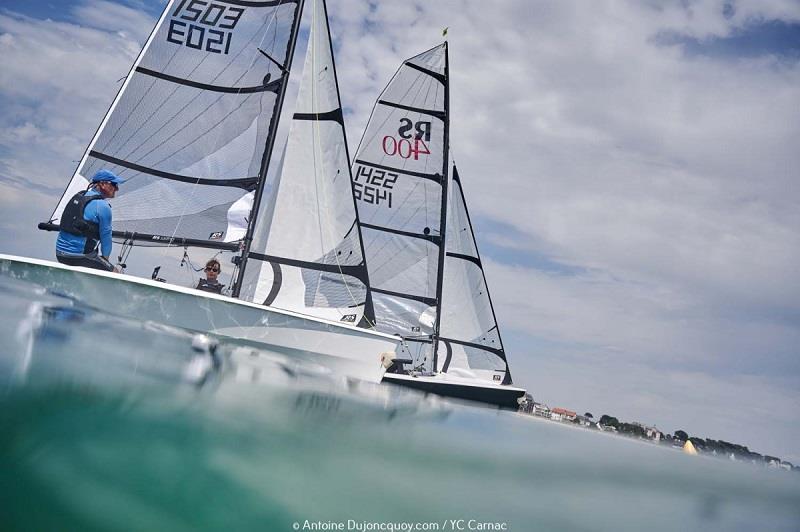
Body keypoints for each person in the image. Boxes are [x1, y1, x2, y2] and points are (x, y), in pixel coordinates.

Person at [56, 169, 123, 272]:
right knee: (115, 272)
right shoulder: (103, 206)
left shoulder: (79, 196)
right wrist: (105, 263)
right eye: (114, 184)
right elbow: (106, 238)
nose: (117, 188)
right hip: (79, 258)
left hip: (60, 254)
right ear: (102, 184)